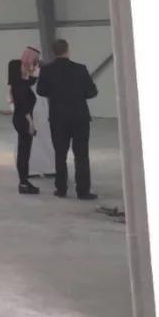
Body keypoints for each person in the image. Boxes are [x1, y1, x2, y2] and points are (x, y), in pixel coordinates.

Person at [37, 39, 98, 199]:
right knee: (81, 155)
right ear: (67, 50)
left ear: (53, 52)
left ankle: (61, 189)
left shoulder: (47, 70)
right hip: (79, 117)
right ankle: (83, 191)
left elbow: (41, 91)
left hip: (58, 118)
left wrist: (55, 93)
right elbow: (92, 92)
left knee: (60, 154)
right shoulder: (80, 69)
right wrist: (78, 94)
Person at [8, 47, 42, 195]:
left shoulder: (19, 81)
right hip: (24, 120)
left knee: (24, 153)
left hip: (19, 119)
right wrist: (31, 124)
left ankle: (24, 181)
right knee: (24, 154)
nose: (35, 63)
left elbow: (30, 80)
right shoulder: (21, 86)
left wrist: (35, 71)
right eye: (35, 61)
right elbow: (25, 107)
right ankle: (23, 183)